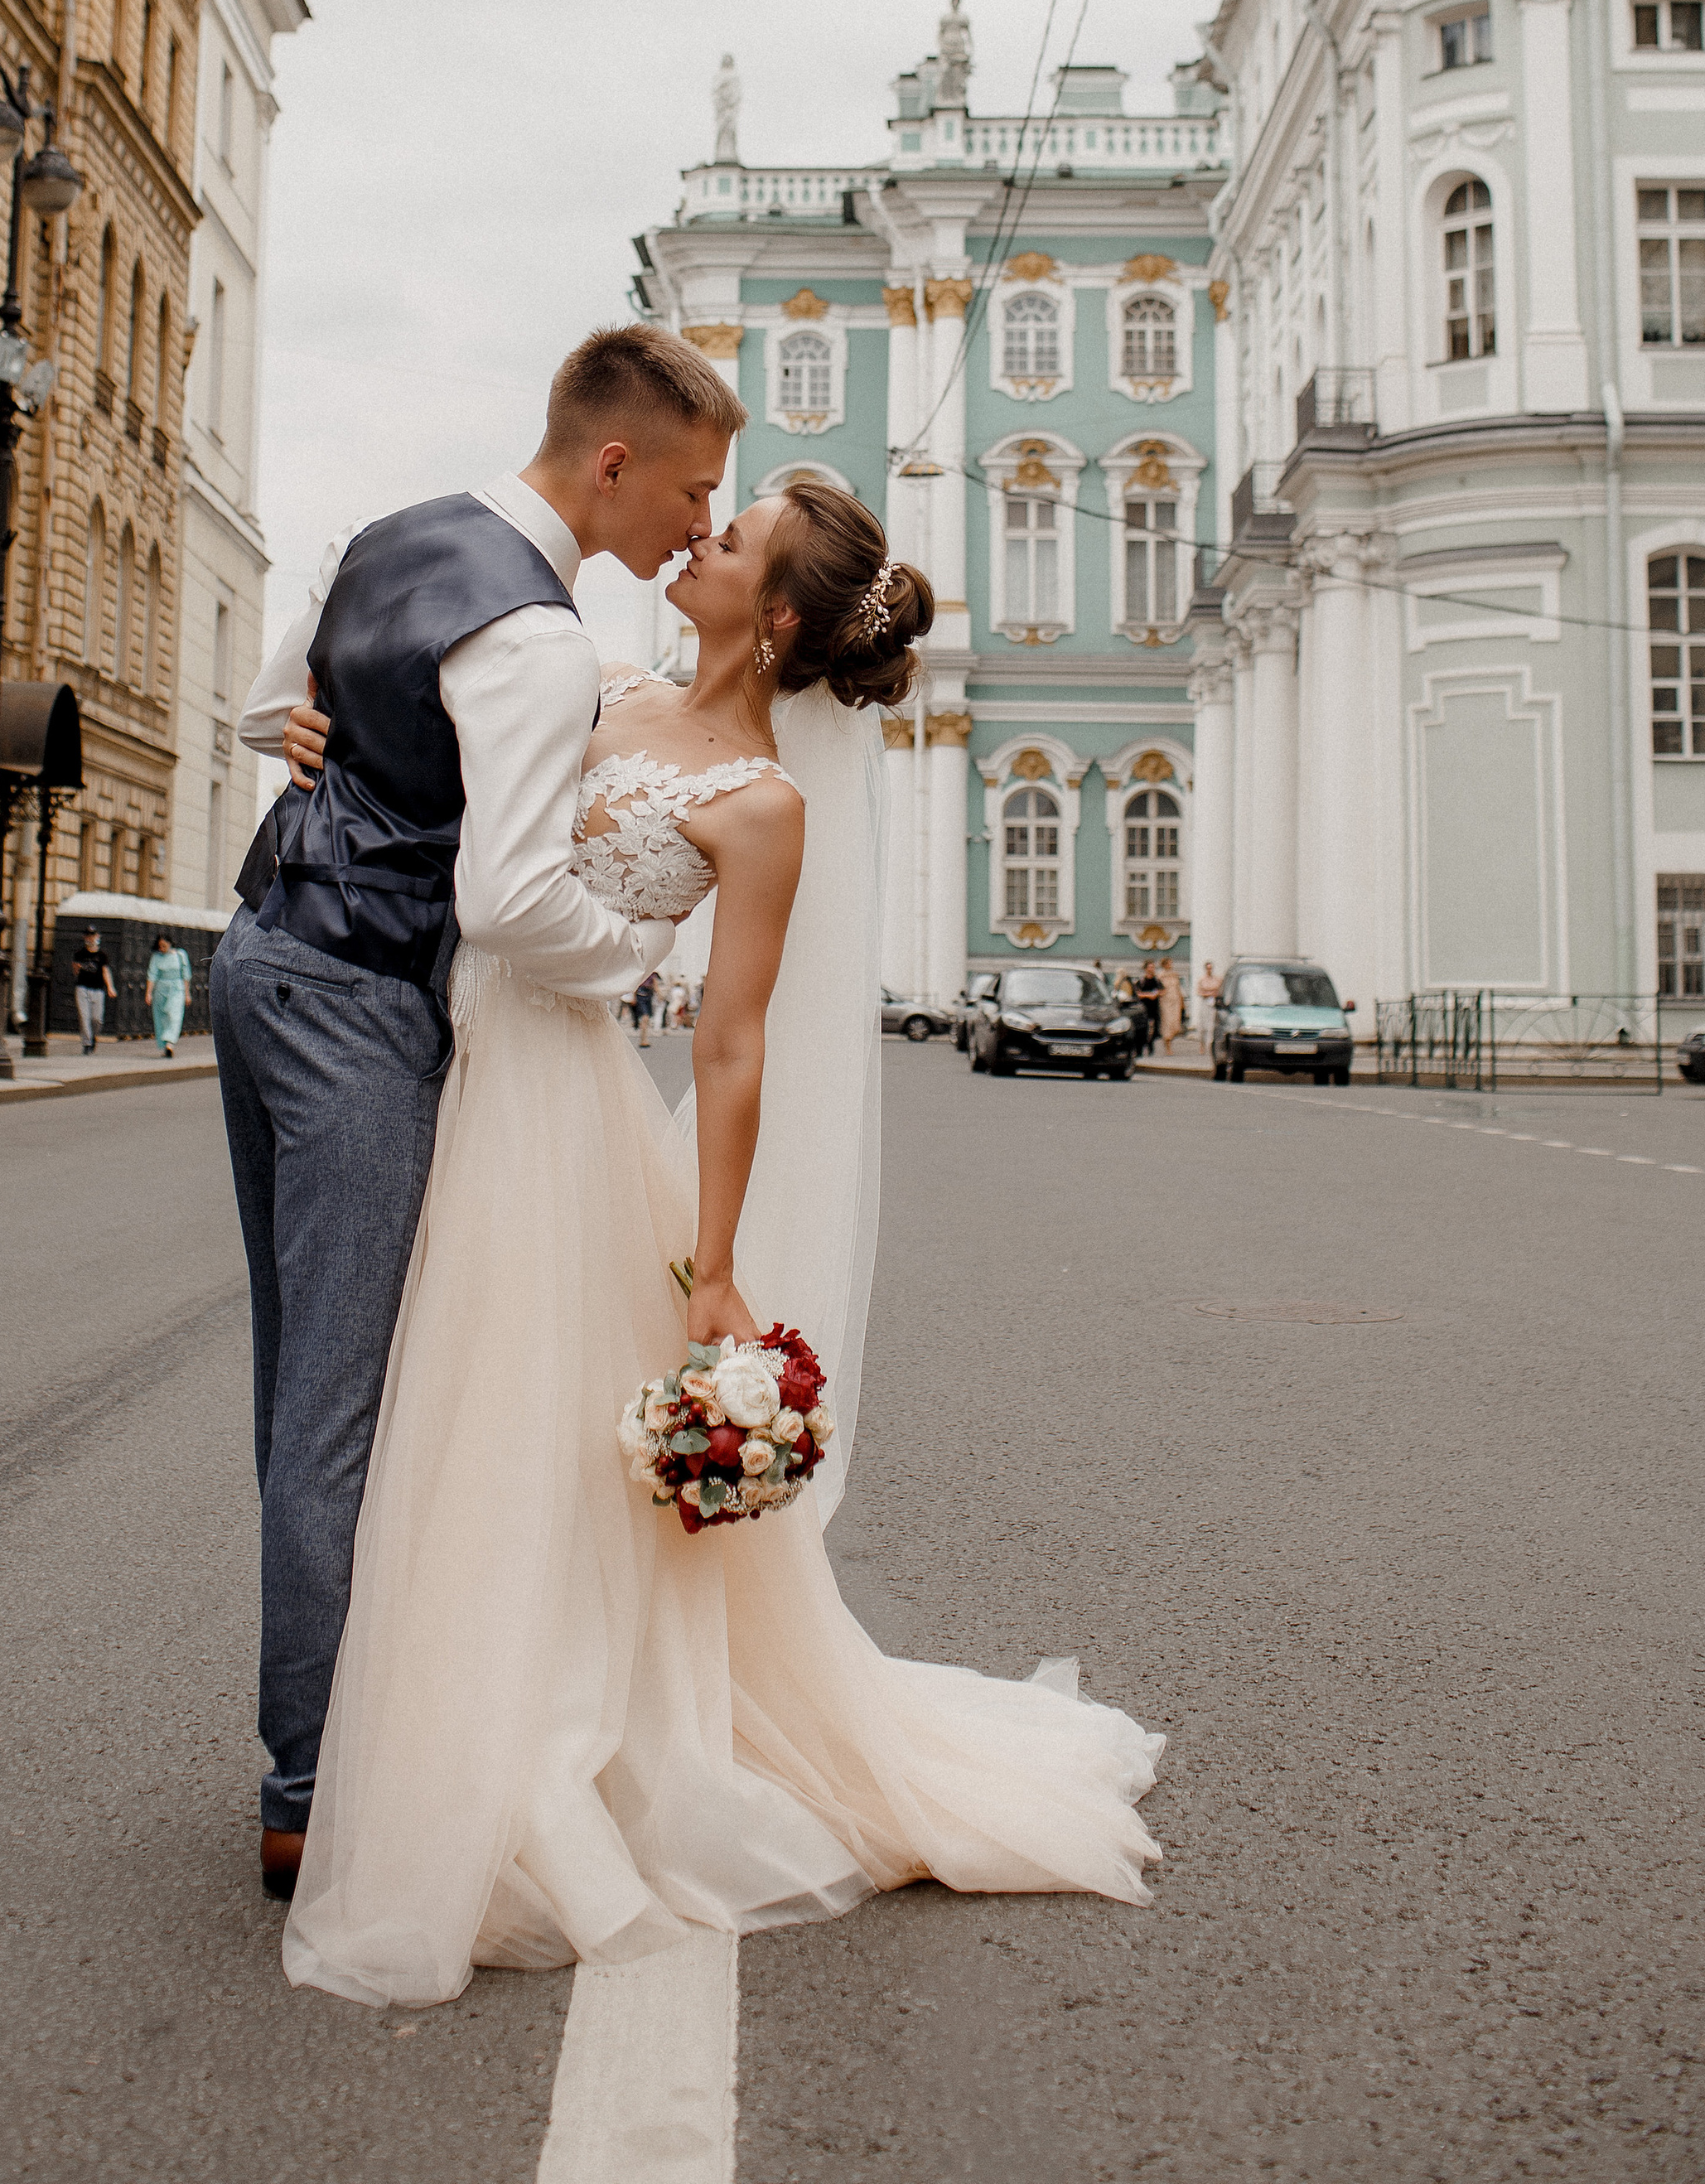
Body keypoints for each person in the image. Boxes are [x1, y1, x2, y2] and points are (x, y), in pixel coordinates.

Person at [273, 478, 1162, 2011]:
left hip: (553, 1118)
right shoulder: (596, 684)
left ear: (788, 619)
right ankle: (408, 1729)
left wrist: (718, 1260)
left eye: (734, 542)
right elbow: (424, 749)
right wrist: (305, 727)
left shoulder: (761, 806)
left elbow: (737, 1046)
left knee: (493, 1429)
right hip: (435, 1053)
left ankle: (500, 1750)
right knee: (431, 1412)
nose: (700, 543)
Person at [215, 324, 743, 1898]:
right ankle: (313, 1784)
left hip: (259, 962)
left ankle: (320, 1734)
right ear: (611, 463)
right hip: (362, 1001)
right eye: (693, 491)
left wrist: (288, 733)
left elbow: (267, 701)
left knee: (293, 1377)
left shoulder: (387, 537)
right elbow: (510, 902)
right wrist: (637, 956)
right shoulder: (534, 639)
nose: (699, 531)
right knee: (343, 1402)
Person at [146, 932, 191, 1056]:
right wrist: (149, 993)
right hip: (161, 987)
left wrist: (187, 994)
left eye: (164, 945)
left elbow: (186, 975)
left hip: (177, 988)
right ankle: (165, 1044)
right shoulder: (156, 957)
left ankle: (170, 1042)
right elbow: (152, 975)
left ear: (170, 943)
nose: (162, 948)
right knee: (161, 1016)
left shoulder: (180, 955)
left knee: (174, 1014)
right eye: (160, 946)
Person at [71, 929, 114, 1054]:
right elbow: (75, 971)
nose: (90, 938)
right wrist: (77, 968)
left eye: (93, 936)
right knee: (84, 1016)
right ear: (85, 937)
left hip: (98, 989)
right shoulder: (79, 954)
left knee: (97, 1019)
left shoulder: (102, 955)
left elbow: (106, 972)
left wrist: (110, 987)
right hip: (82, 988)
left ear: (97, 936)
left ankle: (93, 1036)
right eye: (88, 936)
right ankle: (87, 1043)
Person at [1157, 957, 1184, 1053]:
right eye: (1168, 963)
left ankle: (1170, 1040)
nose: (1170, 965)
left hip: (1175, 1001)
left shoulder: (1174, 975)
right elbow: (1158, 989)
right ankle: (1168, 1046)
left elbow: (1179, 989)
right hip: (1165, 1002)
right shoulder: (1160, 976)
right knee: (1167, 1023)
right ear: (1164, 965)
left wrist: (1182, 1002)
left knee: (1176, 1024)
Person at [1196, 958, 1224, 1047]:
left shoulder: (1217, 979)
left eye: (1211, 968)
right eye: (1208, 968)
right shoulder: (1202, 980)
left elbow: (1219, 990)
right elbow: (1199, 992)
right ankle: (1202, 1044)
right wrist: (1209, 993)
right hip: (1205, 1003)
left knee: (1212, 1023)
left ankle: (1210, 1044)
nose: (1210, 970)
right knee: (1203, 1024)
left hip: (1213, 1002)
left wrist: (1212, 992)